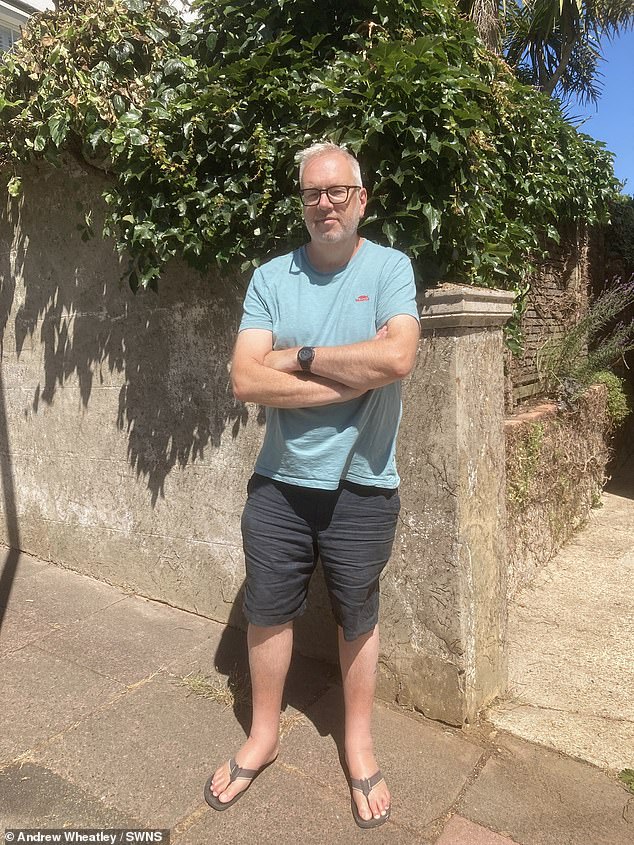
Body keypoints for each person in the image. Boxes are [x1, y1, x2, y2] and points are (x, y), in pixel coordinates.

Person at [204, 142, 420, 828]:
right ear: (302, 201)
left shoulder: (389, 268)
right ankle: (263, 735)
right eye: (312, 193)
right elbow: (245, 379)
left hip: (364, 481)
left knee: (357, 613)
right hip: (281, 482)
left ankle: (358, 743)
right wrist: (345, 379)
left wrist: (298, 357)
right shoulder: (272, 277)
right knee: (267, 608)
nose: (324, 203)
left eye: (337, 191)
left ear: (361, 198)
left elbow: (398, 357)